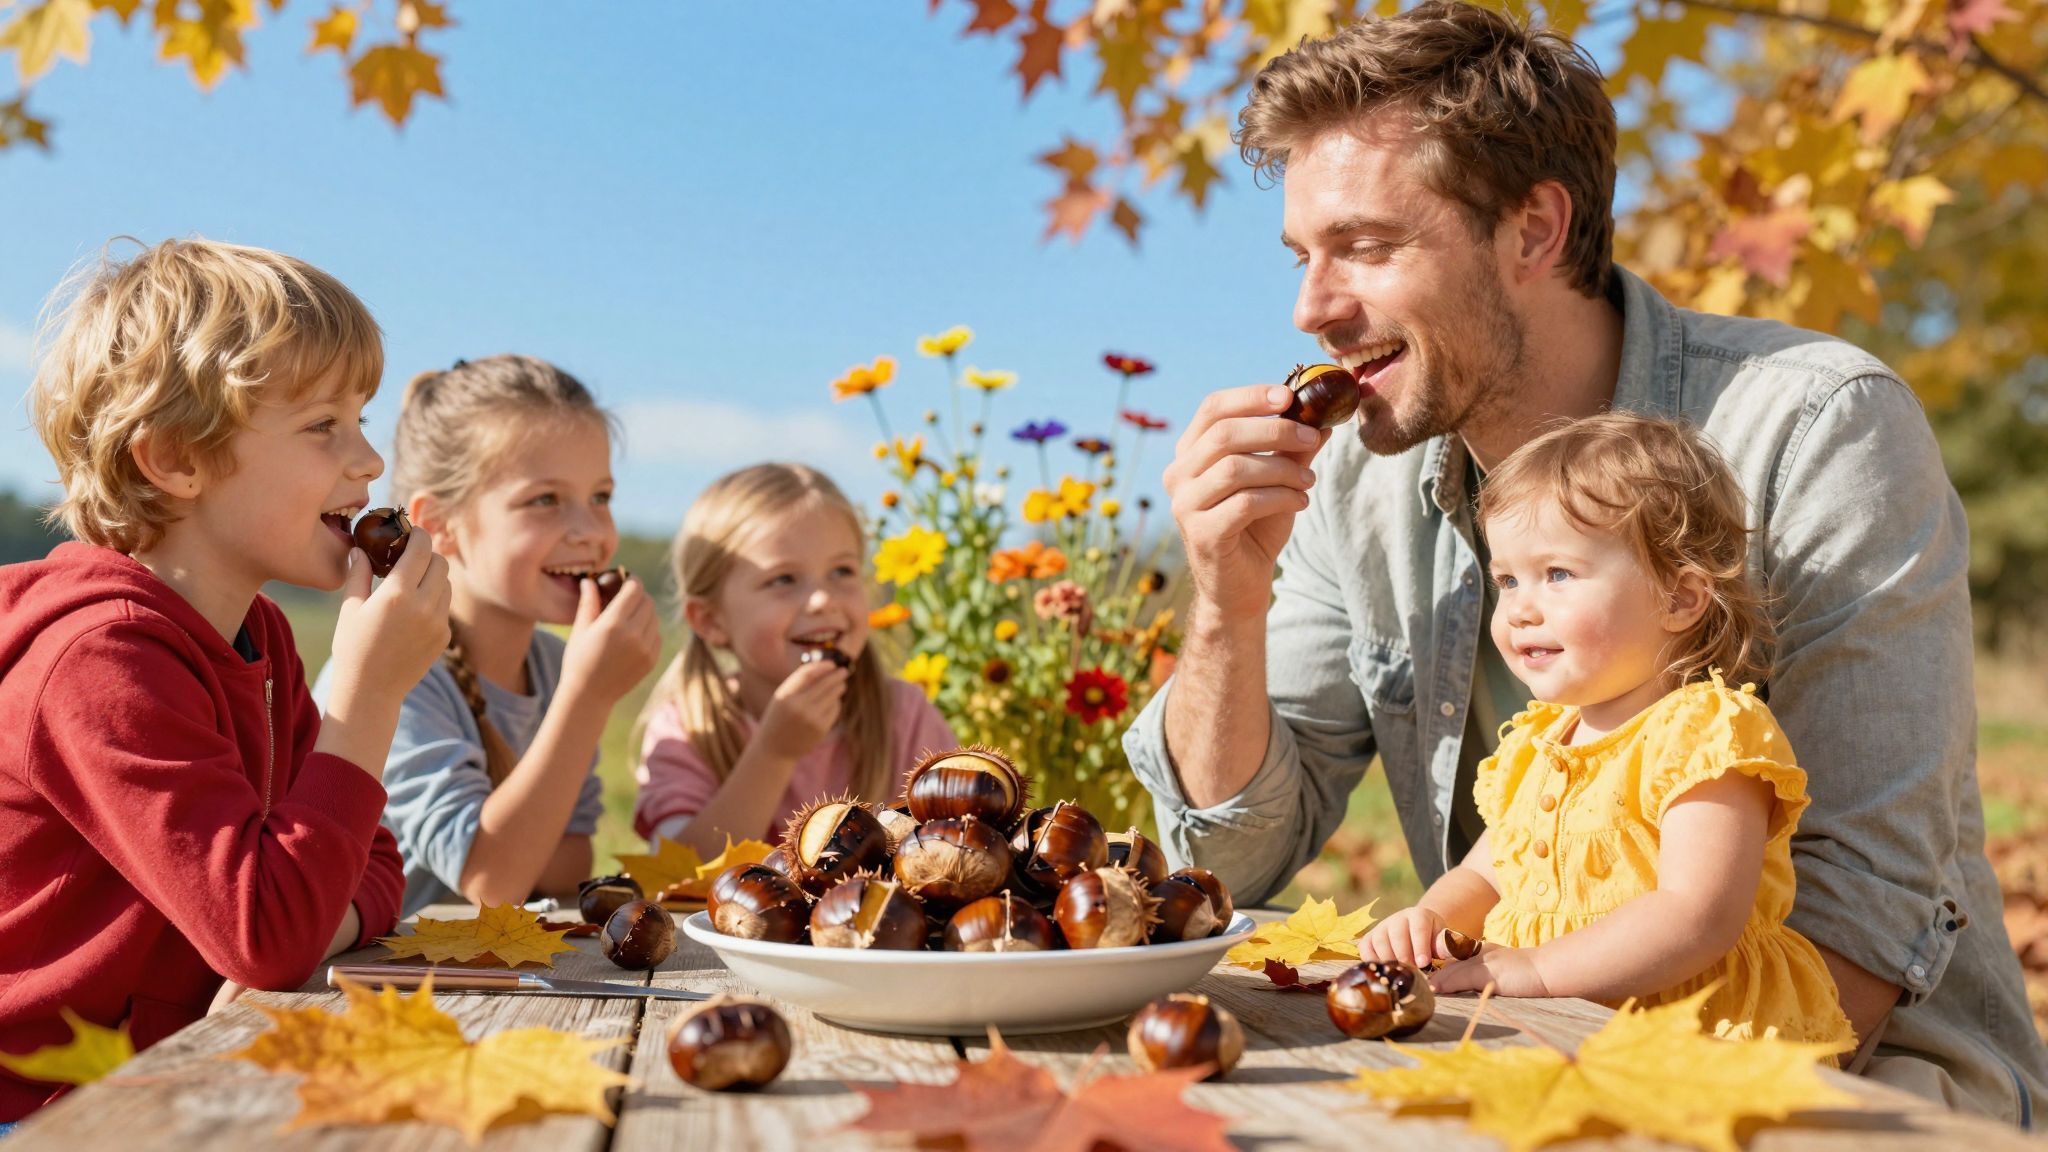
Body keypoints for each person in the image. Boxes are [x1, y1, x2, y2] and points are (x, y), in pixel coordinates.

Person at [1123, 0, 2046, 1123]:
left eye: (1363, 246)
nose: (1310, 307)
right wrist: (1225, 599)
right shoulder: (1356, 482)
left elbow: (1854, 946)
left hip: (1850, 1076)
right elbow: (1235, 854)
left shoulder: (1816, 427)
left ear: (1531, 230)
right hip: (1500, 1038)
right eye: (1302, 256)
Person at [0, 238, 442, 1122]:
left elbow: (372, 864)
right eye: (323, 425)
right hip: (49, 1109)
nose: (368, 462)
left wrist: (294, 919)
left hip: (184, 1079)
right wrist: (366, 695)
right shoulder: (100, 659)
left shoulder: (257, 634)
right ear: (175, 459)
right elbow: (272, 934)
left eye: (360, 418)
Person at [1361, 412, 1855, 1050]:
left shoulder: (1704, 733)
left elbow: (1696, 914)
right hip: (1552, 1020)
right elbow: (1488, 875)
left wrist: (1539, 970)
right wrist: (1430, 918)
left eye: (1558, 574)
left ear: (1679, 599)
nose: (1520, 608)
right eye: (1507, 579)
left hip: (1691, 1032)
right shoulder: (1537, 744)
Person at [313, 355, 661, 917]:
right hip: (369, 983)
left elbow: (572, 859)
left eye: (601, 497)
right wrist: (589, 697)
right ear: (441, 525)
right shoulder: (399, 671)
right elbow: (492, 881)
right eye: (545, 500)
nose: (590, 531)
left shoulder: (553, 664)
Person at [632, 463, 955, 855]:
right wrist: (775, 752)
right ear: (711, 619)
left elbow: (959, 842)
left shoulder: (904, 715)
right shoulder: (688, 727)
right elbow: (679, 871)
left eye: (842, 571)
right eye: (783, 579)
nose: (823, 600)